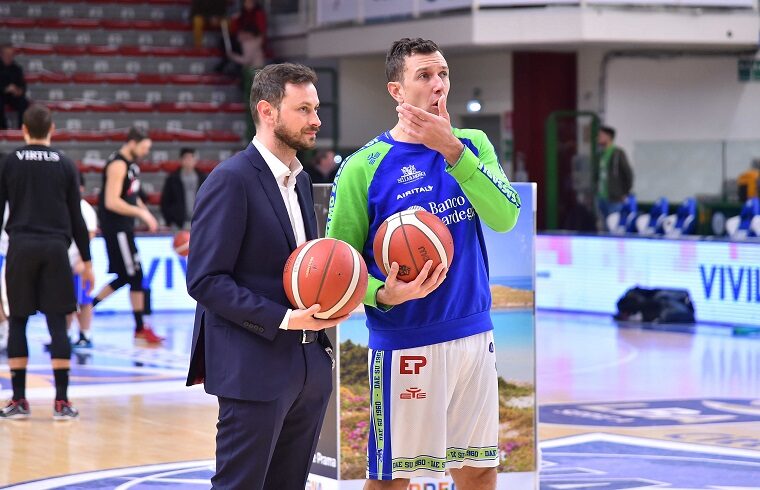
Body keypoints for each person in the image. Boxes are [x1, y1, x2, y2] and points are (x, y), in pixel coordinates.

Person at [326, 38, 521, 490]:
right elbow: (340, 267)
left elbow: (506, 217)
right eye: (425, 75)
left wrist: (453, 151)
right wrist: (382, 293)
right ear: (396, 91)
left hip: (475, 335)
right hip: (406, 344)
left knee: (479, 472)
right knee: (392, 480)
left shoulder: (472, 144)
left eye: (443, 74)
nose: (439, 85)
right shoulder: (362, 167)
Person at [185, 63, 346, 489]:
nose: (316, 120)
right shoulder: (231, 180)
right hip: (253, 368)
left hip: (308, 366)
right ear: (267, 111)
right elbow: (205, 280)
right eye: (304, 109)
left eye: (316, 109)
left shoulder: (301, 180)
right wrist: (284, 319)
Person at [0, 104, 94, 420]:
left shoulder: (10, 162)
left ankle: (18, 400)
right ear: (52, 129)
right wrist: (88, 261)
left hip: (21, 247)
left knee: (18, 321)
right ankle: (62, 402)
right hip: (55, 249)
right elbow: (77, 219)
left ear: (24, 130)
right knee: (57, 323)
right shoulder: (65, 164)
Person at [91, 128, 163, 345]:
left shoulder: (132, 166)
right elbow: (111, 201)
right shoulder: (118, 164)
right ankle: (139, 328)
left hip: (125, 228)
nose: (146, 152)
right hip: (117, 229)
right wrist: (141, 214)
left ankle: (85, 308)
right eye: (144, 147)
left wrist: (146, 213)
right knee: (135, 275)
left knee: (127, 276)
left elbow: (131, 196)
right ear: (133, 143)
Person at [69, 173, 98, 348]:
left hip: (78, 260)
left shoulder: (85, 208)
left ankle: (85, 333)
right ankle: (64, 334)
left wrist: (82, 260)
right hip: (62, 259)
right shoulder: (62, 204)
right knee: (64, 301)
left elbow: (90, 234)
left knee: (84, 300)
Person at [596, 124, 633, 229]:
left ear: (608, 137)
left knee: (614, 226)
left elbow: (628, 174)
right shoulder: (601, 154)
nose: (598, 138)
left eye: (600, 135)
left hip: (615, 198)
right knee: (604, 226)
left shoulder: (618, 154)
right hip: (601, 197)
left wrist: (625, 193)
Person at [160, 148, 207, 229]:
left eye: (191, 158)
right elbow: (165, 201)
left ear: (195, 160)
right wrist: (170, 220)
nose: (189, 161)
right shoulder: (172, 178)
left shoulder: (202, 177)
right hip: (178, 223)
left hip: (199, 220)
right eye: (186, 158)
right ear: (181, 160)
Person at [0, 46, 30, 130]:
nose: (9, 57)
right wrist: (5, 89)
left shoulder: (17, 68)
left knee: (23, 102)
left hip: (13, 95)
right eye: (7, 54)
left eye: (11, 55)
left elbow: (22, 84)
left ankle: (22, 128)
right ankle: (3, 129)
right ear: (1, 55)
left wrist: (19, 91)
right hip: (1, 94)